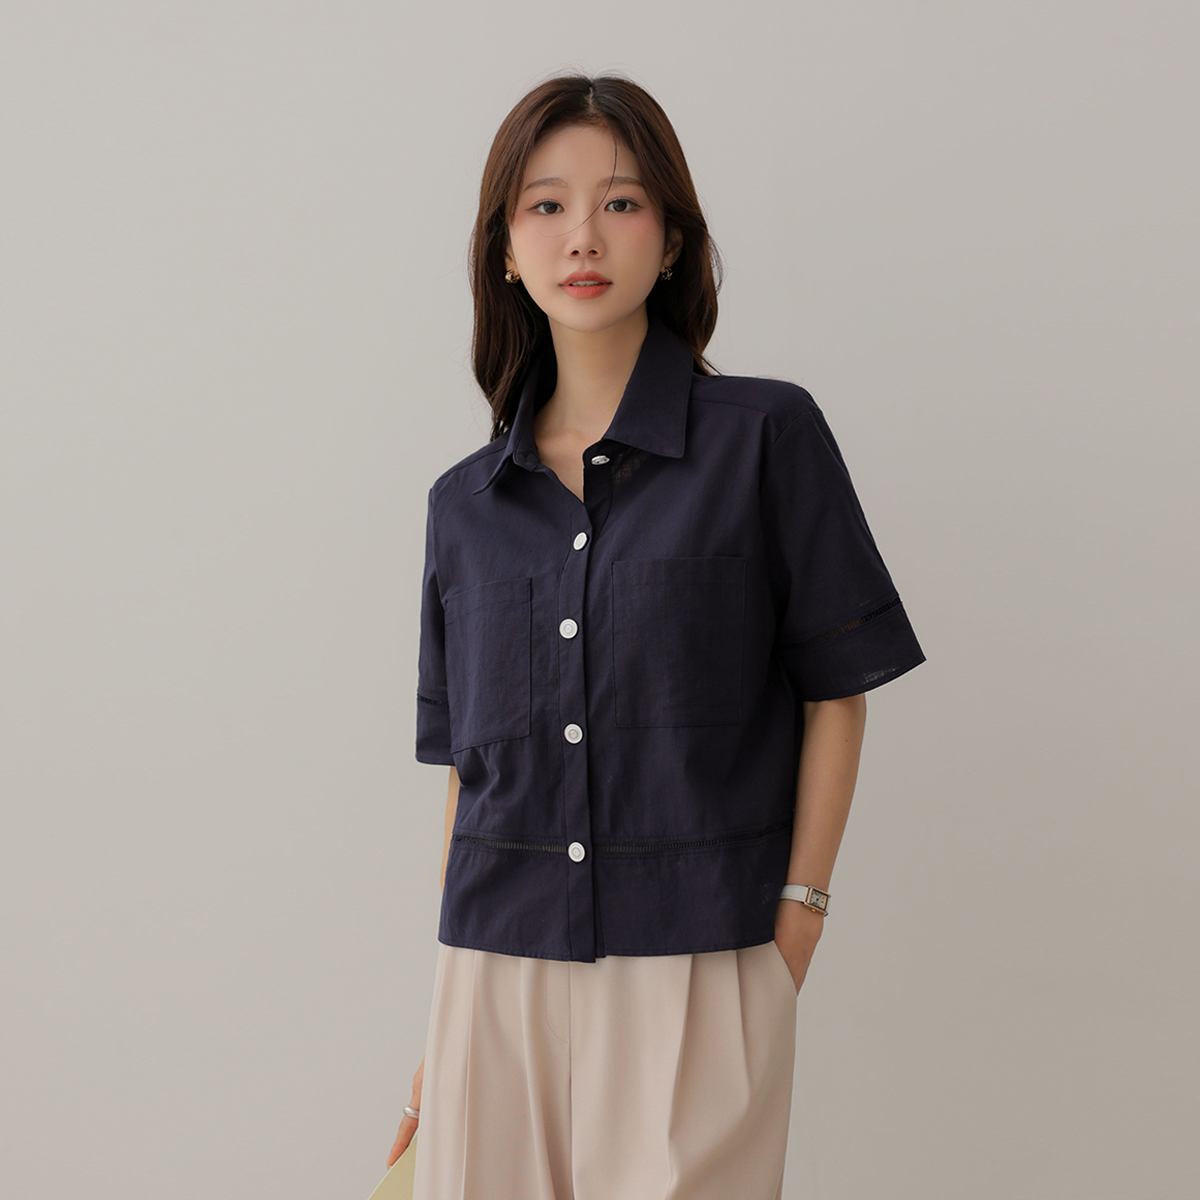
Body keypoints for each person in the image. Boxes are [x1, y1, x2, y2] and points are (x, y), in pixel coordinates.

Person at [388, 73, 927, 1199]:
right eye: (545, 205)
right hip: (493, 974)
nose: (582, 234)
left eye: (622, 203)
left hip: (700, 964)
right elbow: (467, 779)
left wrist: (794, 931)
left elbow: (837, 694)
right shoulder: (462, 506)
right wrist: (443, 1027)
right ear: (505, 250)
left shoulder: (766, 437)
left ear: (672, 240)